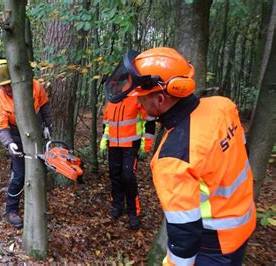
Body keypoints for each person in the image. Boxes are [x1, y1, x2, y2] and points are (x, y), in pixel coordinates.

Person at [104, 47, 256, 265]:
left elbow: (184, 237)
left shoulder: (172, 158)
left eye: (142, 98)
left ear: (160, 98)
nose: (138, 104)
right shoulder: (223, 106)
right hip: (244, 224)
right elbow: (242, 152)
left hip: (214, 245)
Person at [0, 59, 52, 229]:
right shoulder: (0, 99)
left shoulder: (34, 86)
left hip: (36, 133)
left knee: (40, 171)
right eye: (4, 86)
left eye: (10, 84)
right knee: (18, 175)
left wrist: (48, 125)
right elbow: (1, 127)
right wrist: (9, 143)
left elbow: (45, 105)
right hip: (16, 136)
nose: (8, 88)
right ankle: (11, 210)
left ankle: (38, 208)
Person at [99, 98, 155, 230]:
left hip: (131, 146)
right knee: (115, 176)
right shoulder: (111, 102)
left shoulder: (137, 99)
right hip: (113, 146)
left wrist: (145, 147)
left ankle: (133, 212)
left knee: (128, 177)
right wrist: (103, 143)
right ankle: (117, 205)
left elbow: (149, 122)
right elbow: (107, 125)